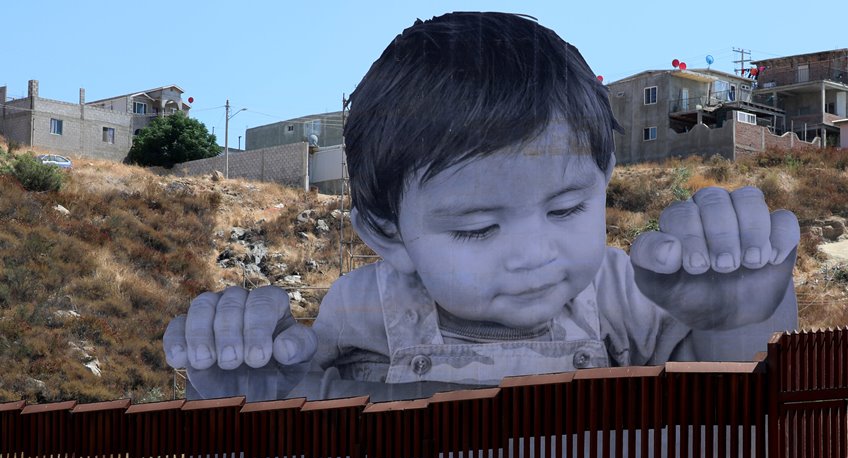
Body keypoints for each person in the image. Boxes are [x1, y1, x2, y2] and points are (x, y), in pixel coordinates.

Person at [163, 12, 799, 403]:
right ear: (390, 236)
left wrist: (740, 316)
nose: (533, 253)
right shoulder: (361, 311)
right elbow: (307, 445)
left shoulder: (628, 297)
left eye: (567, 209)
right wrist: (244, 386)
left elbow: (732, 420)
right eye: (477, 228)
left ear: (604, 180)